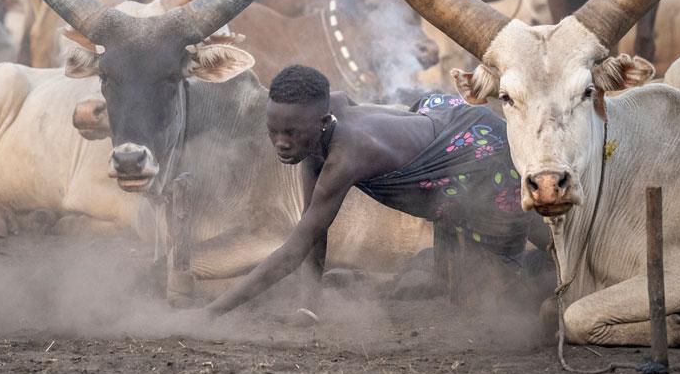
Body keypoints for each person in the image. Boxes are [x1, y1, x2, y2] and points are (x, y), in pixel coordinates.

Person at [199, 64, 544, 320]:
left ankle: (552, 273)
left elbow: (294, 250)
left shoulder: (347, 156)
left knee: (497, 307)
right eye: (273, 130)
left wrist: (209, 313)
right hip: (440, 118)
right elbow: (314, 227)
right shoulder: (323, 117)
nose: (281, 143)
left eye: (290, 133)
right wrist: (309, 305)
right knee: (460, 285)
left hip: (478, 155)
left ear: (320, 124)